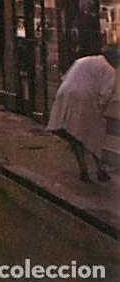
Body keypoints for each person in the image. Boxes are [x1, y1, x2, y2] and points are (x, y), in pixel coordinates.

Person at [47, 43, 118, 182]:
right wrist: (101, 110)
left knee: (75, 135)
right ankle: (100, 169)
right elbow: (105, 94)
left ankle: (83, 169)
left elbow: (66, 77)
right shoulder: (109, 70)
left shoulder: (83, 60)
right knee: (93, 134)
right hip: (84, 99)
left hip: (65, 95)